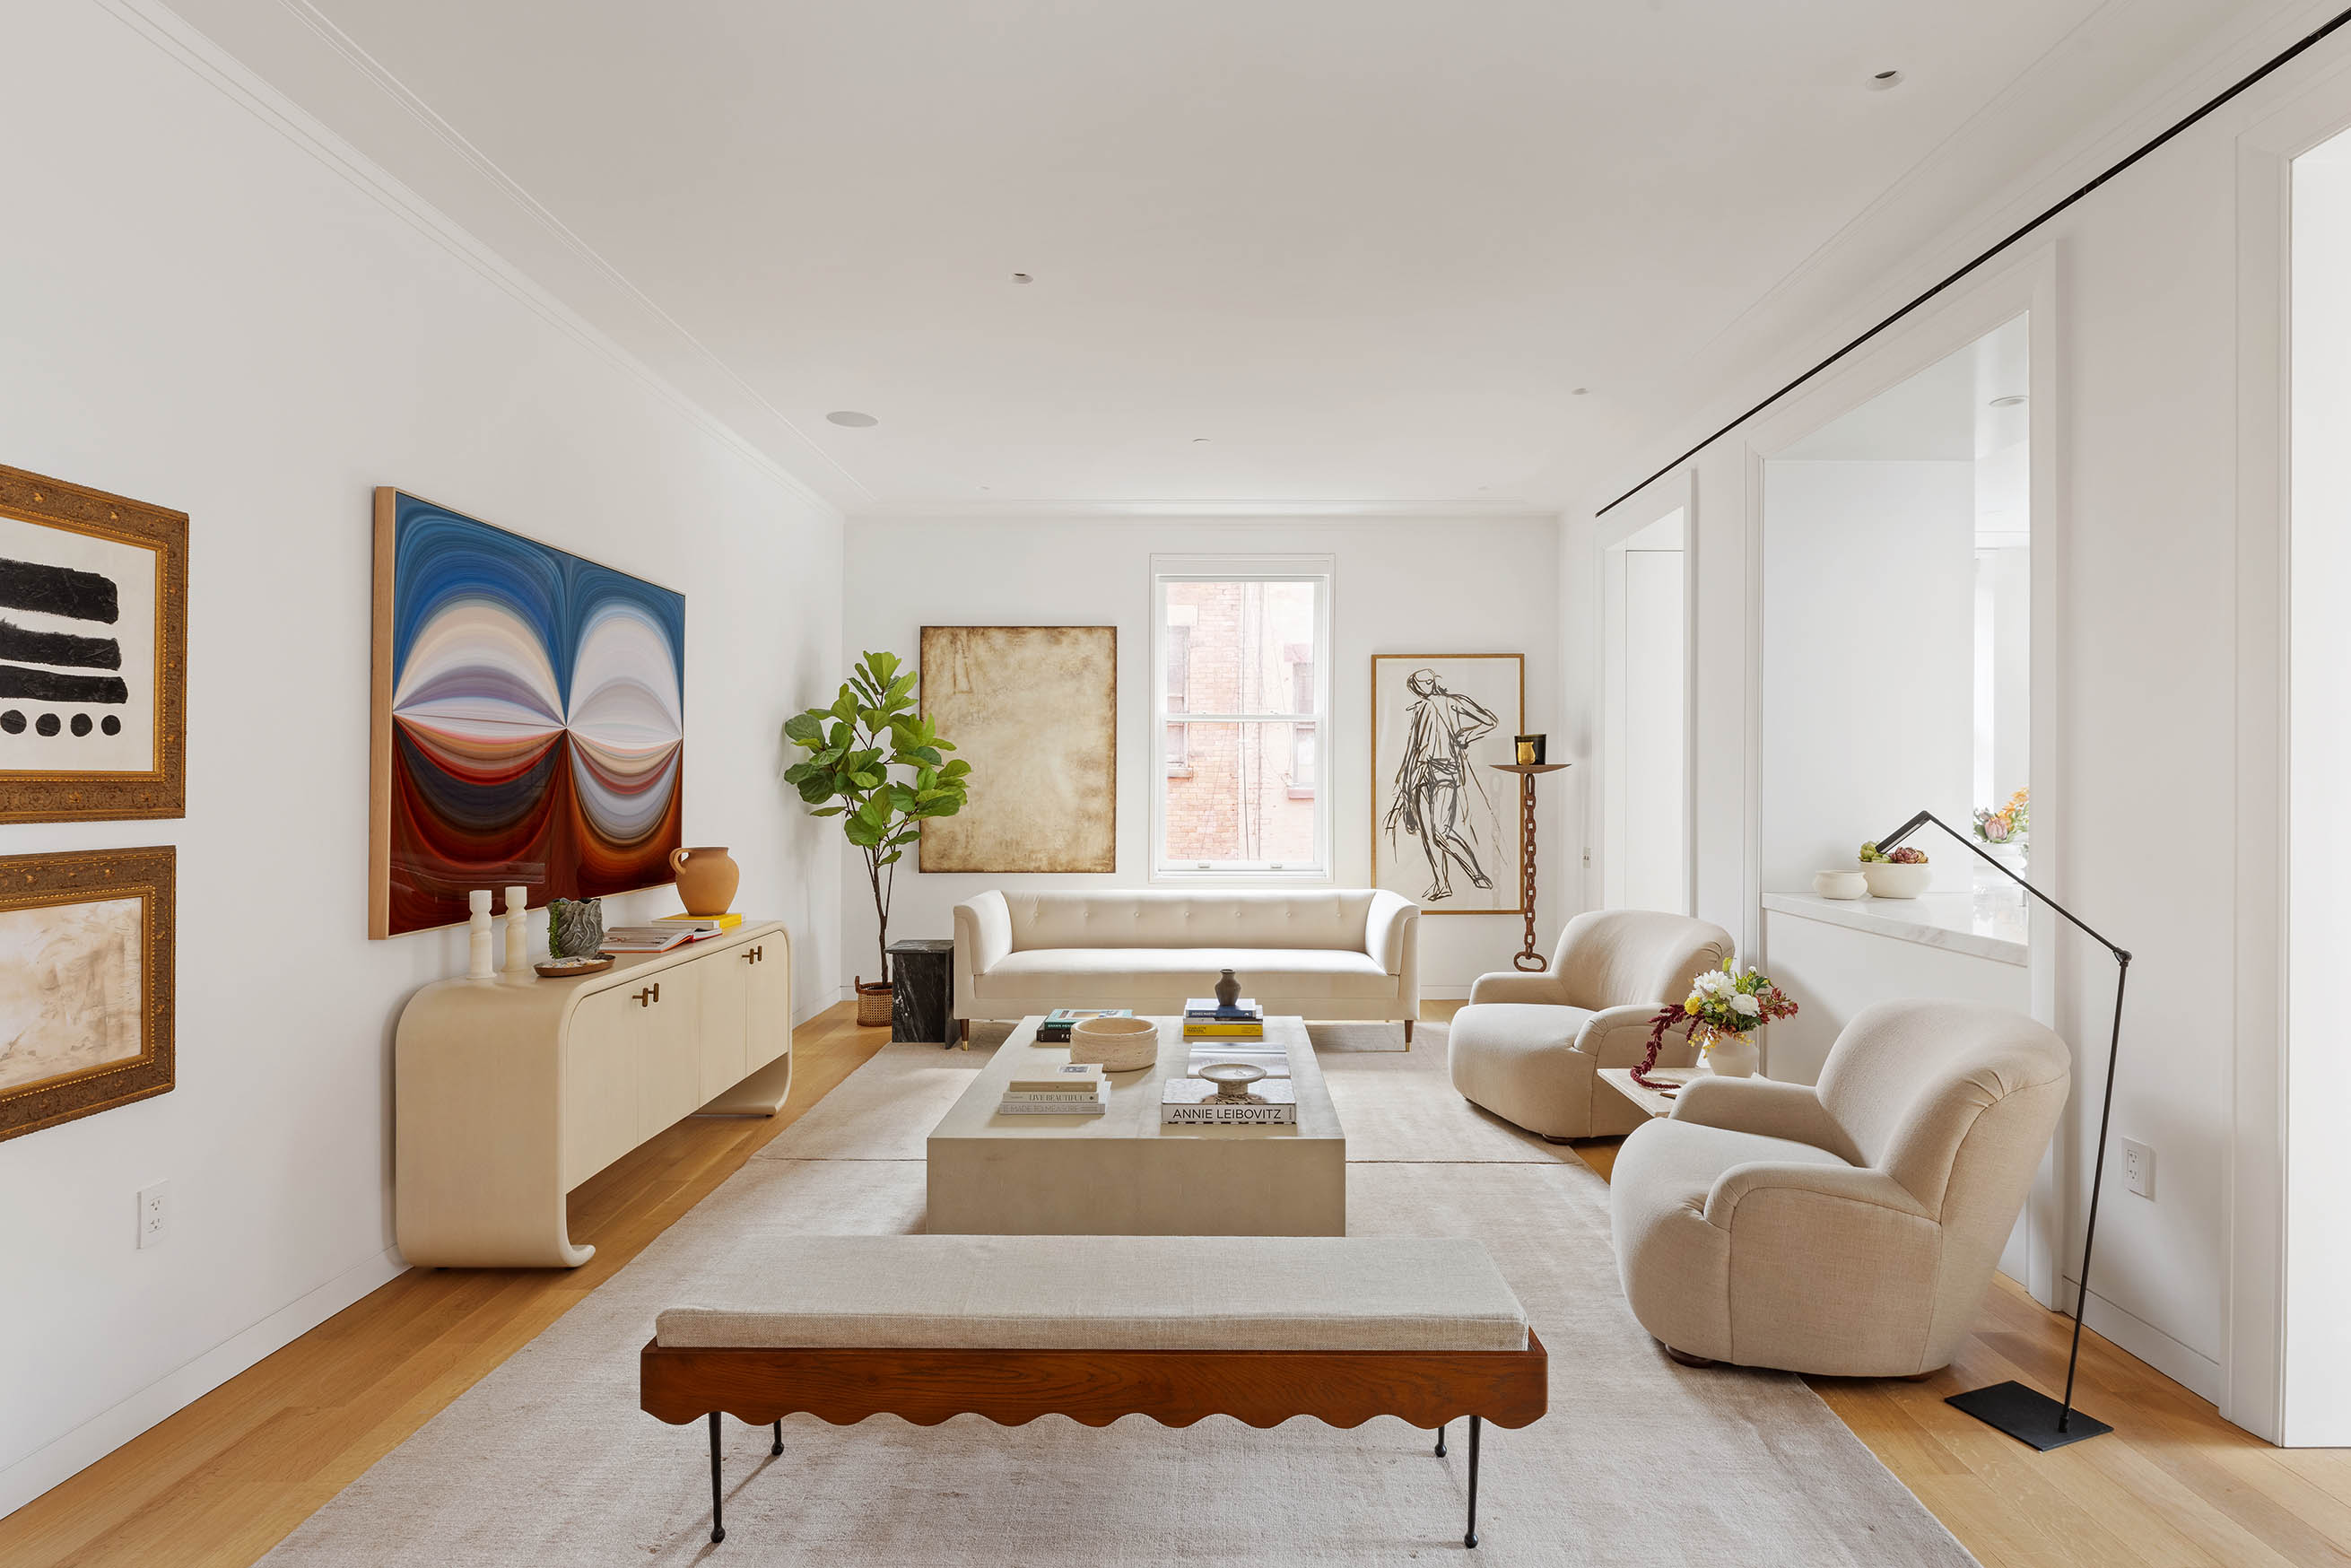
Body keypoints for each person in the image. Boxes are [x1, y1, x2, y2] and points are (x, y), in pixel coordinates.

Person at [1383, 667, 1499, 902]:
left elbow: (1489, 721)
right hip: (1419, 774)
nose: (1423, 687)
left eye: (1426, 681)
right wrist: (1405, 784)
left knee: (1440, 832)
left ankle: (1476, 874)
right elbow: (1412, 749)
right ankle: (1442, 884)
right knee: (1428, 836)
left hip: (1445, 771)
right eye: (1418, 684)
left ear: (1433, 682)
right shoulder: (1419, 709)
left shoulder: (1454, 702)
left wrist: (1467, 735)